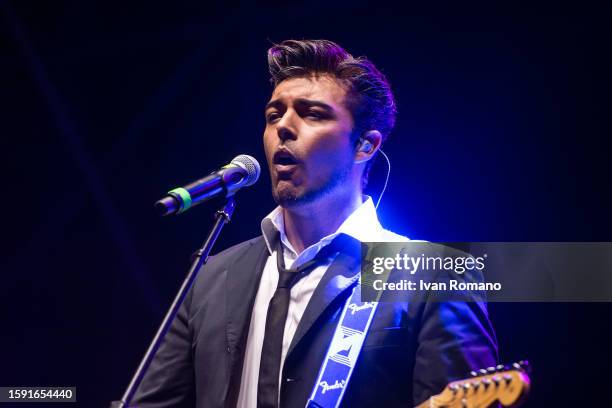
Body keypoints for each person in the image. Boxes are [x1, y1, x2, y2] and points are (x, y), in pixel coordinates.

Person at [132, 39, 498, 408]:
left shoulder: (431, 274)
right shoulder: (213, 275)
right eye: (274, 115)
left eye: (312, 114)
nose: (284, 127)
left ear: (365, 146)